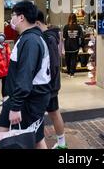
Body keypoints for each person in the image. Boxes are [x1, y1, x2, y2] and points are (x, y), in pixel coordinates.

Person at [0, 1, 51, 149]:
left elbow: (25, 74)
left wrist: (16, 106)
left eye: (13, 15)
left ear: (21, 17)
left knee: (25, 137)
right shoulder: (29, 37)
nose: (11, 19)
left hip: (28, 100)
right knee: (32, 137)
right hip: (25, 98)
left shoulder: (31, 41)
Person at [35, 10, 67, 149]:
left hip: (47, 86)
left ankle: (59, 144)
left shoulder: (47, 38)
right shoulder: (51, 35)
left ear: (37, 23)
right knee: (54, 113)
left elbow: (53, 64)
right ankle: (61, 143)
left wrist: (49, 85)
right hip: (50, 85)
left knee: (40, 117)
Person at [63, 13, 83, 78]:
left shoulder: (66, 27)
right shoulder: (78, 27)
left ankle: (68, 73)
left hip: (67, 46)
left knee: (67, 59)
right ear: (76, 19)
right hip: (75, 46)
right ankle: (72, 73)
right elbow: (81, 36)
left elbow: (64, 36)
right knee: (73, 59)